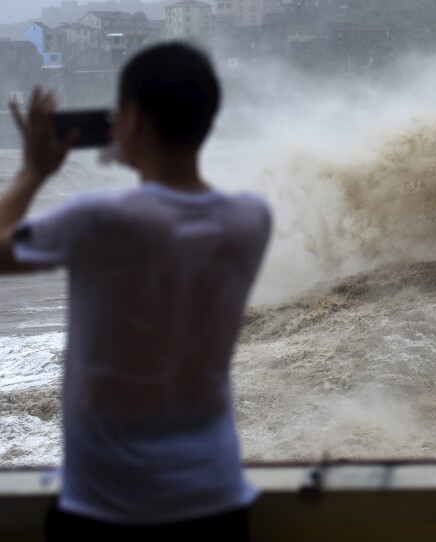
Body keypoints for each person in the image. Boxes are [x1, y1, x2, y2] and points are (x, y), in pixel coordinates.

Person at [0, 43, 271, 539]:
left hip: (105, 510)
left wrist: (32, 172)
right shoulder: (250, 220)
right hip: (216, 504)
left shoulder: (98, 220)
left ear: (133, 120)